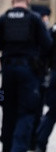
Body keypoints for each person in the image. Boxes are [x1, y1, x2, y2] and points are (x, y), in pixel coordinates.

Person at [0, 0, 52, 152]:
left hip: (8, 71)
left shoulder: (4, 18)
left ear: (13, 0)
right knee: (27, 112)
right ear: (28, 0)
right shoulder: (34, 19)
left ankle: (6, 146)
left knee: (8, 110)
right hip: (28, 72)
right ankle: (18, 148)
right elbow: (47, 45)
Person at [35, 16, 56, 152]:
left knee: (53, 112)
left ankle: (40, 142)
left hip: (54, 72)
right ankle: (40, 141)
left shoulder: (53, 29)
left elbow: (45, 49)